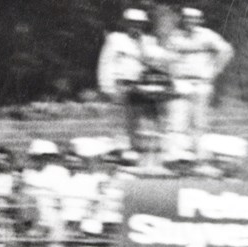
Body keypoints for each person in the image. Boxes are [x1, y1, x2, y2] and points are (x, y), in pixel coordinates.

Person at [97, 9, 169, 147]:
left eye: (139, 24)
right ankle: (124, 148)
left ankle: (141, 147)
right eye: (132, 23)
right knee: (123, 118)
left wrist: (142, 45)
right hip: (122, 84)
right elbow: (106, 63)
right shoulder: (116, 39)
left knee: (144, 119)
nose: (135, 27)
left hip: (143, 86)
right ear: (125, 24)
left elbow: (159, 60)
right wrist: (106, 86)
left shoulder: (149, 41)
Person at [163, 7, 232, 137]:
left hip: (201, 83)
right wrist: (171, 75)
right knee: (177, 122)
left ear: (200, 20)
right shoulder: (175, 36)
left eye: (194, 19)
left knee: (199, 123)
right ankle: (178, 148)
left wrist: (215, 70)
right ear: (183, 20)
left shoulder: (207, 35)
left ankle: (197, 149)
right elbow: (167, 58)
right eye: (187, 19)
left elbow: (226, 50)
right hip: (181, 82)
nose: (190, 21)